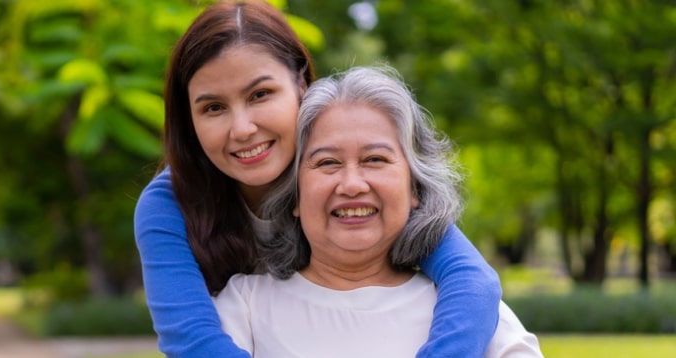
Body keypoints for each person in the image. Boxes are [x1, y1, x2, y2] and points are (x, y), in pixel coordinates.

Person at [133, 1, 502, 356]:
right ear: (189, 119)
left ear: (301, 86)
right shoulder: (168, 205)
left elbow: (473, 282)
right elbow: (193, 343)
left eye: (260, 94)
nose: (242, 129)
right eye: (213, 107)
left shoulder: (350, 185)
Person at [212, 65, 543, 357]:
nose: (352, 184)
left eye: (375, 160)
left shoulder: (472, 314)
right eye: (327, 162)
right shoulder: (245, 306)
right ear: (294, 196)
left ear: (415, 188)